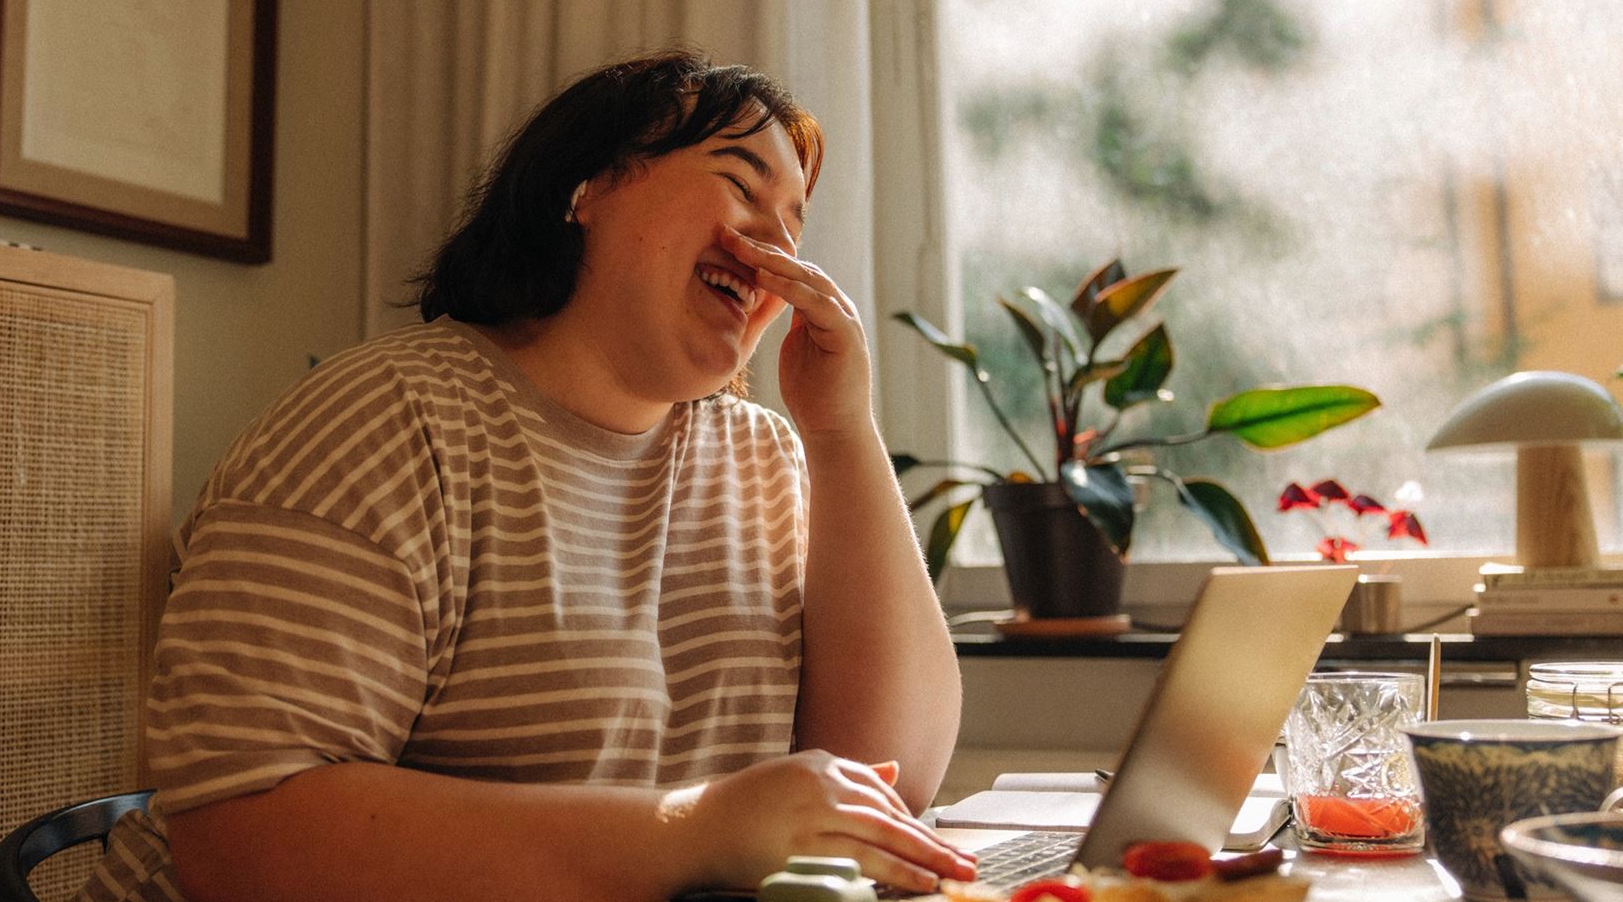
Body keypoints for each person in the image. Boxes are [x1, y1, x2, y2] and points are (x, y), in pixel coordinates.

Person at [75, 50, 972, 902]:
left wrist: (842, 429)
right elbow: (239, 841)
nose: (777, 246)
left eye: (795, 224)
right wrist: (694, 832)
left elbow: (887, 779)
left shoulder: (765, 458)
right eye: (742, 185)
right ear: (584, 187)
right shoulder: (382, 420)